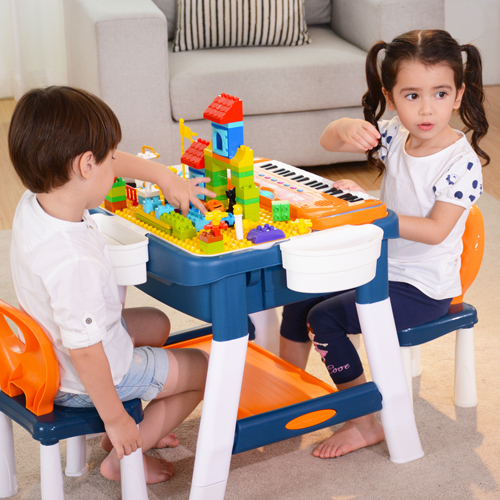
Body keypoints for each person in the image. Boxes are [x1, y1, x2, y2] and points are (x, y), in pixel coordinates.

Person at [280, 29, 489, 459]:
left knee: (324, 318)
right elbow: (327, 142)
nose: (426, 109)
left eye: (440, 94)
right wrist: (344, 128)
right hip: (378, 267)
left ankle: (364, 423)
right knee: (298, 295)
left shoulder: (461, 162)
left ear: (458, 95)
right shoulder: (394, 135)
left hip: (423, 287)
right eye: (412, 95)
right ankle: (286, 392)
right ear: (390, 99)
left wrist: (372, 211)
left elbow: (435, 230)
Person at [8, 86, 216, 483]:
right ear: (87, 165)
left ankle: (137, 424)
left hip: (50, 350)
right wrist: (117, 420)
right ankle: (124, 454)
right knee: (204, 369)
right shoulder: (73, 261)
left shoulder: (36, 199)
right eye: (109, 157)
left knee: (157, 322)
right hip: (82, 380)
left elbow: (112, 162)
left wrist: (165, 176)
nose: (114, 164)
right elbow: (87, 354)